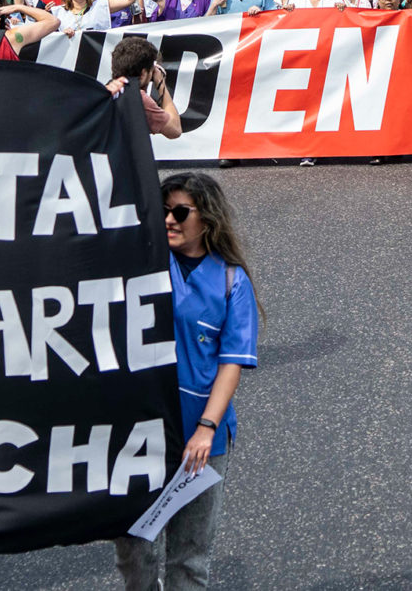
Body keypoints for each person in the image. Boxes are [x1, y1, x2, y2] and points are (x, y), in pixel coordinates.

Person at [114, 172, 260, 591]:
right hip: (138, 434)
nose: (169, 221)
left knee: (190, 556)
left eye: (180, 212)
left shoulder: (232, 281)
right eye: (163, 211)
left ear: (207, 219)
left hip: (201, 440)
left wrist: (206, 428)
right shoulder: (145, 265)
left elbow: (231, 362)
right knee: (133, 546)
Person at [105, 35, 182, 138]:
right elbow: (175, 129)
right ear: (143, 74)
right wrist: (160, 84)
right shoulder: (138, 99)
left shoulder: (106, 91)